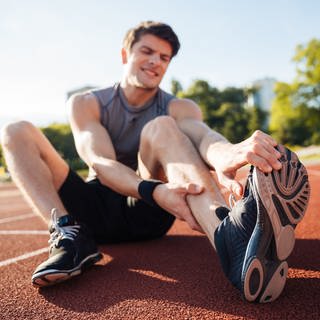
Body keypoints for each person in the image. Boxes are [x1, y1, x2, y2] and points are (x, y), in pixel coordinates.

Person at [0, 21, 310, 303]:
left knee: (160, 126)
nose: (155, 62)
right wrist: (154, 190)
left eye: (164, 58)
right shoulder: (86, 103)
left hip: (148, 213)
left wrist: (225, 154)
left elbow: (202, 136)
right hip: (94, 210)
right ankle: (68, 236)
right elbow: (99, 161)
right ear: (125, 54)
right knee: (15, 131)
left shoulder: (178, 106)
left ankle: (231, 240)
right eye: (147, 51)